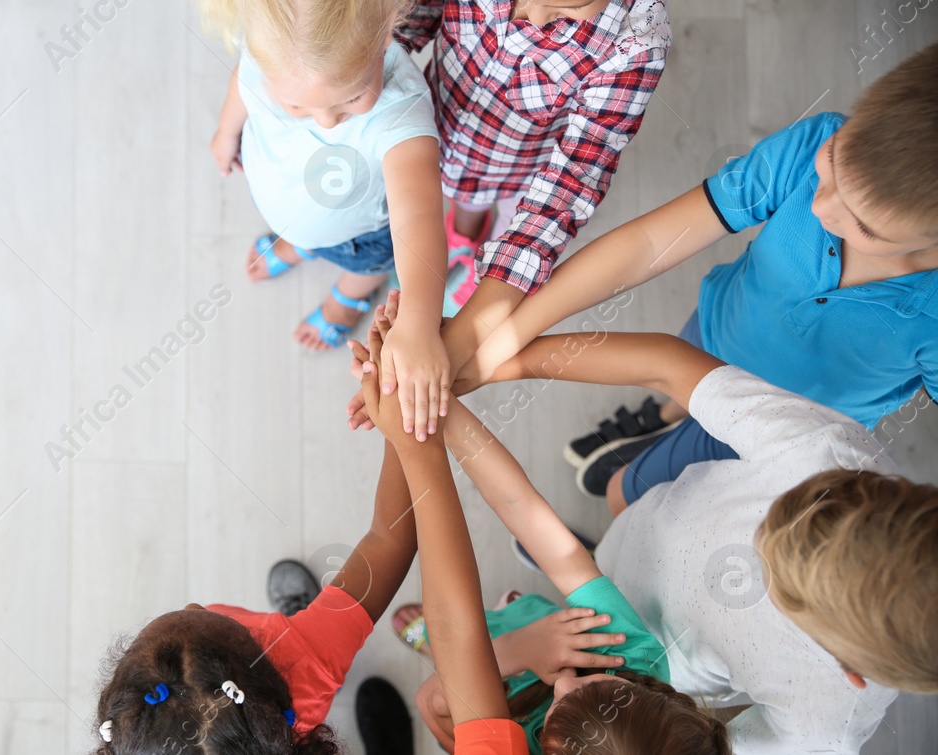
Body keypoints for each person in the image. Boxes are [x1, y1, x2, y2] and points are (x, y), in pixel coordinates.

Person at [447, 41, 938, 513]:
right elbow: (645, 245)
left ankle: (611, 544)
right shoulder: (809, 143)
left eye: (864, 224)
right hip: (714, 326)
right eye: (832, 163)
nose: (819, 203)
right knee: (672, 386)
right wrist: (499, 336)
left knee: (632, 497)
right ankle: (661, 417)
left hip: (766, 421)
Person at [460, 326, 938, 753]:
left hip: (642, 675)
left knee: (580, 593)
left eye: (776, 584)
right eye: (778, 518)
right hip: (650, 522)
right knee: (613, 509)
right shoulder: (825, 454)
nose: (746, 558)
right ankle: (587, 559)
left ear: (853, 674)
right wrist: (495, 363)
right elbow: (668, 365)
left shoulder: (826, 724)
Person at [359, 296, 729, 755]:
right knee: (490, 623)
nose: (560, 685)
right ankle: (484, 627)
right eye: (586, 687)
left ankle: (440, 643)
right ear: (662, 700)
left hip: (493, 657)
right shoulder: (633, 657)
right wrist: (433, 397)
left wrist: (520, 650)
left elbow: (432, 699)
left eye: (557, 711)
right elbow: (521, 506)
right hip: (518, 639)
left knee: (453, 643)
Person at [88, 394, 424, 751]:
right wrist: (404, 413)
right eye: (198, 615)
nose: (193, 606)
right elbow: (389, 538)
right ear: (273, 680)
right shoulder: (304, 657)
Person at [203, 0, 453, 440]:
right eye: (297, 106)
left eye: (353, 96)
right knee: (304, 225)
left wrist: (417, 320)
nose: (328, 120)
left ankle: (347, 297)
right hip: (292, 202)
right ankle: (298, 241)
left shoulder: (400, 109)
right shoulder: (270, 48)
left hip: (360, 236)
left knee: (366, 265)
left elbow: (418, 218)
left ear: (385, 33)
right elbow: (241, 83)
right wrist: (227, 132)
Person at [391, 0, 671, 381]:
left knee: (509, 216)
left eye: (569, 9)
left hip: (525, 170)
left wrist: (474, 325)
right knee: (464, 196)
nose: (535, 18)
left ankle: (484, 258)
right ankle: (466, 235)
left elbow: (570, 181)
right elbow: (402, 24)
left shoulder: (635, 42)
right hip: (444, 128)